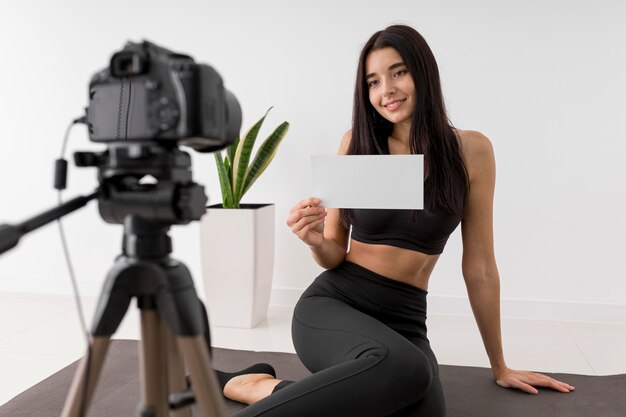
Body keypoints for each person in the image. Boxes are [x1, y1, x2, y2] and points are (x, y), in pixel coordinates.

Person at [214, 24, 575, 417]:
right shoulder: (356, 144)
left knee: (419, 403)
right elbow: (334, 253)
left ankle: (260, 387)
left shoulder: (472, 151)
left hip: (406, 320)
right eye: (373, 81)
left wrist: (499, 365)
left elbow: (481, 267)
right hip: (335, 305)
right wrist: (316, 239)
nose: (386, 90)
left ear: (424, 73)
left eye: (398, 72)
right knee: (408, 371)